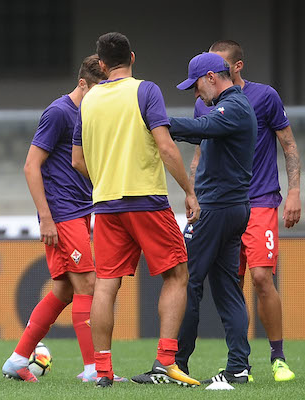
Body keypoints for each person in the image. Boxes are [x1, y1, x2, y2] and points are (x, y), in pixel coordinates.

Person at [71, 32, 201, 388]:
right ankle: (165, 362)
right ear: (132, 56)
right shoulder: (146, 91)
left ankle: (102, 370)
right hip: (146, 200)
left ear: (100, 64)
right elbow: (166, 147)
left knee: (105, 286)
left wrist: (106, 178)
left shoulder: (89, 100)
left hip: (106, 204)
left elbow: (77, 160)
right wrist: (189, 192)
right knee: (176, 274)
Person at [2, 55, 121, 384]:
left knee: (63, 290)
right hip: (62, 212)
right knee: (89, 284)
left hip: (81, 210)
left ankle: (16, 359)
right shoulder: (58, 112)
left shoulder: (92, 113)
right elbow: (31, 165)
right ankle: (93, 368)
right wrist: (45, 217)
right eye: (98, 87)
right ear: (82, 84)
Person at [190, 40, 299, 382]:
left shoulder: (265, 96)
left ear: (236, 67)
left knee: (262, 277)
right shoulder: (202, 102)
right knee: (229, 282)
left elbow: (289, 144)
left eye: (217, 63)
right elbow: (200, 152)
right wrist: (192, 192)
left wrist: (295, 190)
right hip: (221, 204)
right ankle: (239, 364)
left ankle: (278, 357)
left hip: (261, 199)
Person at [167, 52, 256, 384]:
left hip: (217, 208)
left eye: (195, 86)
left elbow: (202, 126)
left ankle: (177, 364)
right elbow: (200, 132)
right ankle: (238, 366)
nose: (195, 94)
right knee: (227, 288)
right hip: (233, 208)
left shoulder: (231, 107)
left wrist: (158, 122)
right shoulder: (235, 106)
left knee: (186, 281)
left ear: (210, 77)